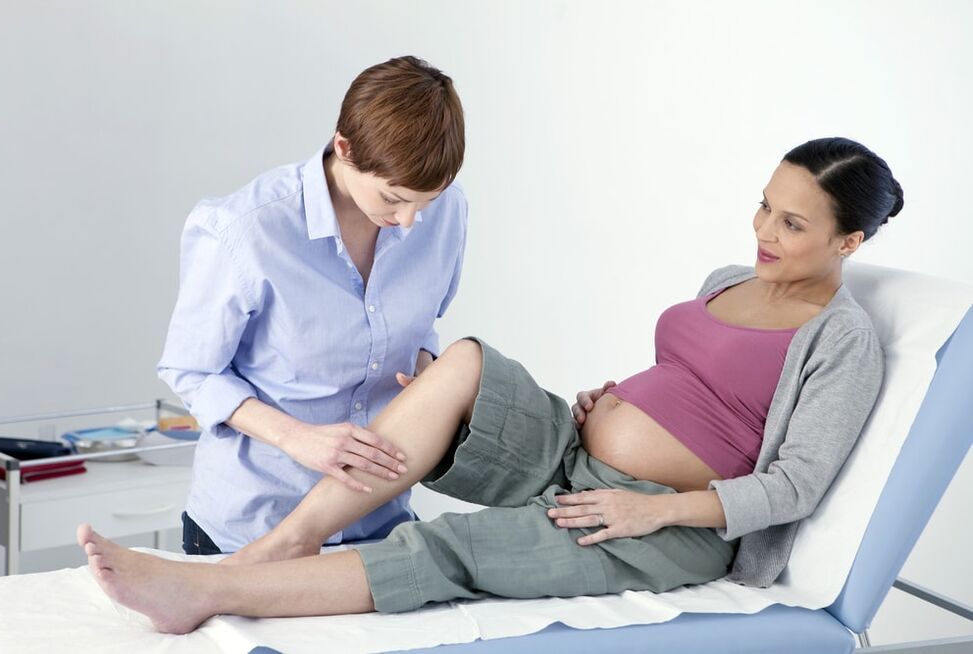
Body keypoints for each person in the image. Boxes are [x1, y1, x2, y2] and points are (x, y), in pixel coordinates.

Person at [81, 137, 900, 635]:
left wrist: (653, 507)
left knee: (445, 549)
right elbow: (696, 380)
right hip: (580, 453)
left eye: (791, 224)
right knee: (465, 360)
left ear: (849, 240)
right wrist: (613, 401)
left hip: (657, 520)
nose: (762, 232)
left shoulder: (842, 339)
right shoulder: (728, 276)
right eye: (762, 207)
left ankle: (214, 586)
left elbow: (791, 484)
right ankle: (283, 544)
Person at [155, 56, 467, 555]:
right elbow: (192, 372)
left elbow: (421, 326)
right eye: (392, 198)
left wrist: (427, 377)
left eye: (425, 202)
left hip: (380, 525)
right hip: (252, 525)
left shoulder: (448, 213)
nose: (409, 221)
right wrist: (297, 437)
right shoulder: (244, 230)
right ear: (344, 148)